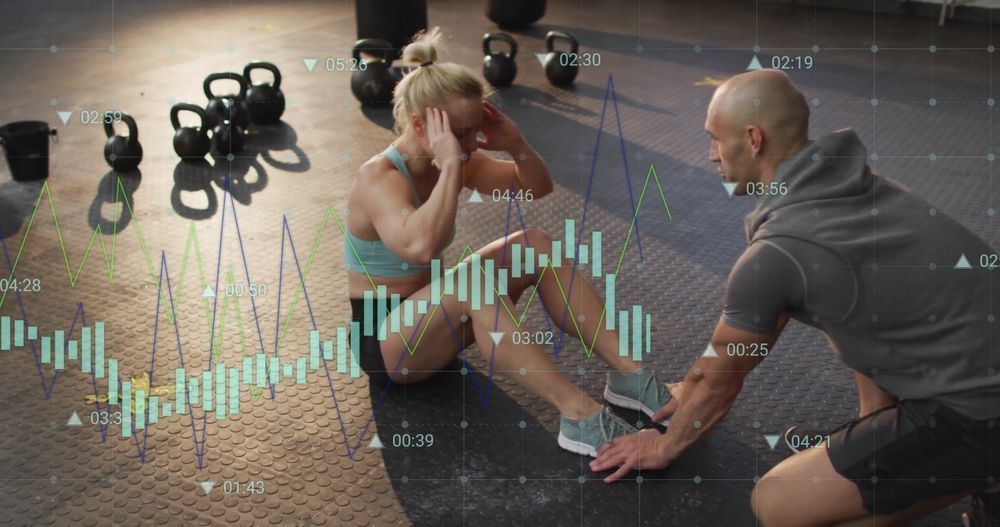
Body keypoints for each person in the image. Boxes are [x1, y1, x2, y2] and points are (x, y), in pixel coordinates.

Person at [590, 69, 1000, 526]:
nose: (710, 155)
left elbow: (723, 376)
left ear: (753, 138)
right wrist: (692, 386)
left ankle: (983, 479)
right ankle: (883, 435)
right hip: (975, 367)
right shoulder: (850, 181)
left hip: (979, 411)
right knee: (856, 310)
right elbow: (766, 326)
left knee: (778, 504)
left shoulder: (780, 250)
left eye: (715, 139)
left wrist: (665, 445)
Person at [343, 27, 674, 457]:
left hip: (431, 328)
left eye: (475, 129)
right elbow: (419, 247)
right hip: (386, 348)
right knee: (473, 285)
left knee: (534, 243)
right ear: (422, 124)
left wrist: (514, 143)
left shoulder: (458, 159)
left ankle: (630, 376)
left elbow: (536, 187)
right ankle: (579, 414)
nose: (471, 144)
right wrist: (450, 169)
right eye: (460, 133)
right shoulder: (379, 179)